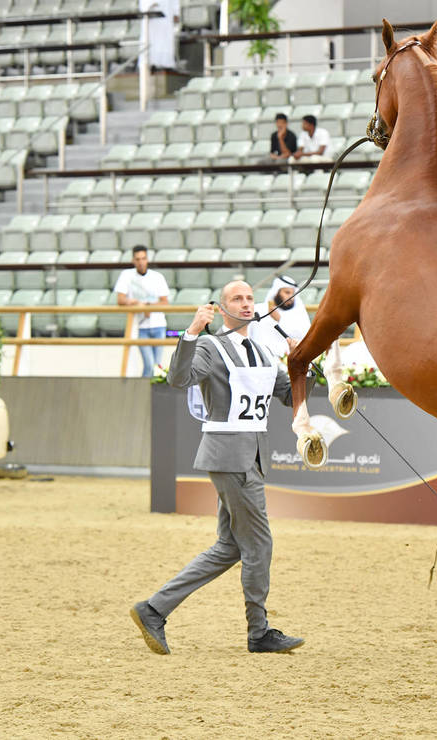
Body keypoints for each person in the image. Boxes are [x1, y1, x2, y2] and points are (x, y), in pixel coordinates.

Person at [130, 280, 306, 655]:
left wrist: (300, 362)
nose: (245, 304)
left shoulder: (260, 350)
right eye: (236, 299)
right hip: (231, 456)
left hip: (249, 456)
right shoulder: (211, 346)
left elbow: (290, 396)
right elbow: (179, 378)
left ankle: (153, 609)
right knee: (259, 543)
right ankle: (258, 632)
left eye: (248, 299)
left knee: (230, 547)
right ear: (221, 308)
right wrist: (192, 332)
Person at [114, 245, 170, 377]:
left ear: (147, 259)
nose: (141, 262)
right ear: (133, 260)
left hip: (158, 325)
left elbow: (165, 302)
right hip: (140, 326)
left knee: (156, 366)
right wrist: (134, 302)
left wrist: (147, 306)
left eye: (143, 258)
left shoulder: (157, 277)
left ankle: (152, 394)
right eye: (138, 259)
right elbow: (121, 300)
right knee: (150, 364)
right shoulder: (126, 275)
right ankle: (145, 393)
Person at [249, 276, 311, 360]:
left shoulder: (298, 313)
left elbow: (305, 335)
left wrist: (280, 320)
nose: (291, 297)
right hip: (262, 362)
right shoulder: (259, 310)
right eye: (287, 292)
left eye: (293, 294)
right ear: (276, 292)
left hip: (288, 363)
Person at [139, 0, 180, 71]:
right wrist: (149, 6)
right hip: (150, 19)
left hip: (166, 14)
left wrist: (176, 12)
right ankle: (150, 63)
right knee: (149, 38)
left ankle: (166, 64)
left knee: (165, 38)